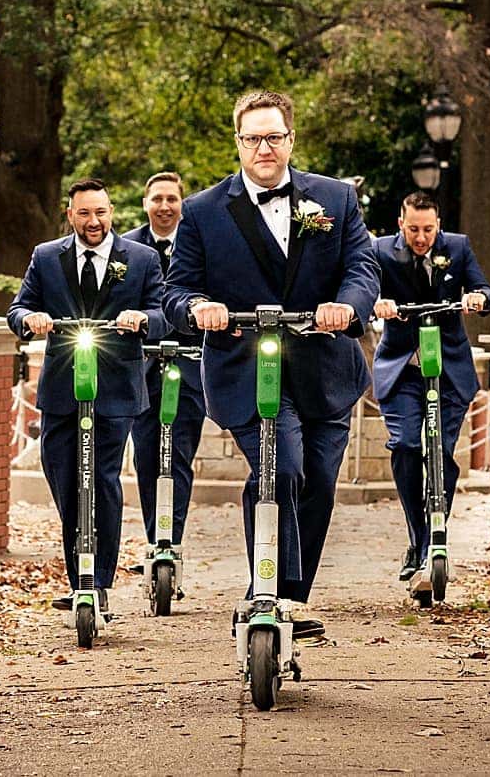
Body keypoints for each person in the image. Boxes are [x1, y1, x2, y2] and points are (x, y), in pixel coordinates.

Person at [164, 91, 379, 640]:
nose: (264, 147)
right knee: (279, 467)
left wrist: (346, 306)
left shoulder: (335, 199)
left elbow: (362, 269)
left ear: (290, 139)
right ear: (238, 142)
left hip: (326, 369)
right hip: (245, 367)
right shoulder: (204, 211)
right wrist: (197, 308)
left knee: (320, 484)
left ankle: (289, 598)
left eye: (274, 136)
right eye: (253, 138)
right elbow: (176, 289)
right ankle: (271, 595)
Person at [7, 179, 166, 611]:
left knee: (102, 480)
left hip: (116, 387)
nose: (93, 222)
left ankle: (96, 584)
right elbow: (16, 310)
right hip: (62, 387)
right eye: (84, 213)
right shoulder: (46, 257)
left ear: (111, 212)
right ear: (70, 214)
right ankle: (80, 568)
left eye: (100, 213)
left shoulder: (142, 259)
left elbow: (162, 313)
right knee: (65, 478)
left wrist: (142, 318)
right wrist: (31, 319)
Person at [371, 191, 490, 582]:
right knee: (407, 445)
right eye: (413, 229)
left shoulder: (457, 248)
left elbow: (485, 290)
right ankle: (418, 537)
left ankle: (436, 538)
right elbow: (363, 291)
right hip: (402, 369)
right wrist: (377, 303)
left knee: (440, 451)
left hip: (448, 369)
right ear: (400, 224)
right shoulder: (380, 251)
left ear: (438, 225)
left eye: (427, 229)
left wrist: (477, 297)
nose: (421, 237)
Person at [122, 172, 208, 564]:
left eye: (172, 199)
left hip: (189, 366)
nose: (165, 206)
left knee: (178, 456)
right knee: (146, 455)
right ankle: (153, 537)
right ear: (146, 204)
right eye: (157, 198)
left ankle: (170, 541)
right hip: (140, 366)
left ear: (182, 204)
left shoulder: (198, 242)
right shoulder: (126, 248)